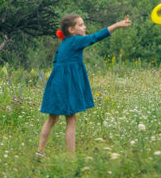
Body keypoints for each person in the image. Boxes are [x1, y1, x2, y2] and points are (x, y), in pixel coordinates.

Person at [36, 14, 131, 157]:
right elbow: (95, 37)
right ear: (71, 30)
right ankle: (71, 156)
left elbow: (57, 64)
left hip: (56, 84)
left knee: (52, 118)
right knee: (71, 118)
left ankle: (40, 151)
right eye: (80, 25)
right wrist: (117, 25)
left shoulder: (65, 44)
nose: (84, 27)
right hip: (66, 85)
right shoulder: (75, 41)